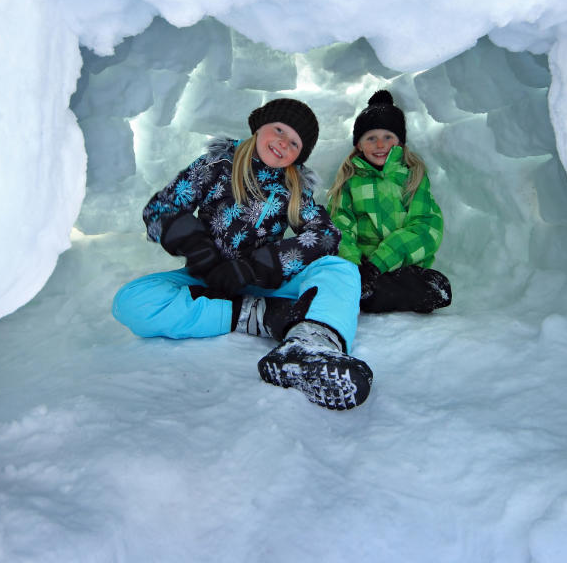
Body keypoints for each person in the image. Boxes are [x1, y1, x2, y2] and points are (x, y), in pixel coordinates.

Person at [112, 98, 373, 410]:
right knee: (132, 300)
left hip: (260, 278)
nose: (281, 143)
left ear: (298, 155)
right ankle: (262, 316)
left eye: (293, 142)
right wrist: (200, 251)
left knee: (340, 270)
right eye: (278, 130)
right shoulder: (214, 166)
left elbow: (325, 235)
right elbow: (159, 209)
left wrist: (258, 266)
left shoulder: (293, 187)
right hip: (207, 277)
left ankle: (311, 345)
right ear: (259, 126)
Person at [327, 90, 452, 314]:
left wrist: (379, 263)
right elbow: (339, 224)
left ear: (400, 142)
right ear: (359, 145)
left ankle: (369, 293)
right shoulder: (350, 180)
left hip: (402, 265)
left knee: (434, 286)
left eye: (388, 137)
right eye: (371, 138)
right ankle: (364, 290)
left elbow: (425, 227)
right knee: (340, 279)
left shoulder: (413, 176)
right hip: (362, 266)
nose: (380, 144)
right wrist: (354, 264)